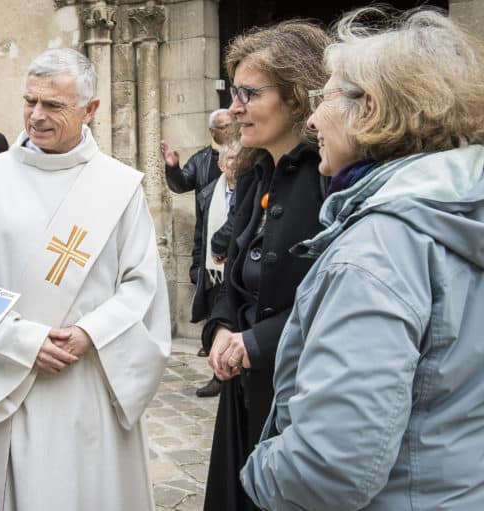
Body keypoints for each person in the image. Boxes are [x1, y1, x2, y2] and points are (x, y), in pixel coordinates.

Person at [242, 8, 484, 510]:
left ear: (368, 109)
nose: (310, 120)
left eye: (323, 98)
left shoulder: (379, 248)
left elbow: (330, 467)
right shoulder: (462, 211)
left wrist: (260, 473)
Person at [0, 48, 171, 511]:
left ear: (91, 109)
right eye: (30, 101)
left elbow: (141, 285)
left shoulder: (118, 186)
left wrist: (91, 332)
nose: (36, 116)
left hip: (91, 379)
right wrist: (22, 339)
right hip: (17, 375)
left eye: (53, 106)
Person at [201, 21, 330, 511]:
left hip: (297, 395)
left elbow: (334, 295)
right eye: (235, 93)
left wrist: (256, 342)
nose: (235, 108)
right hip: (244, 390)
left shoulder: (330, 179)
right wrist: (220, 327)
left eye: (248, 93)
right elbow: (229, 273)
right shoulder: (258, 172)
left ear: (297, 97)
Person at [161, 109, 231, 360]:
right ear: (212, 131)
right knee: (210, 290)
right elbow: (181, 184)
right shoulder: (202, 160)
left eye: (232, 124)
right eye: (224, 126)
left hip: (234, 235)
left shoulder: (246, 154)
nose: (230, 129)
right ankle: (211, 338)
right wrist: (173, 168)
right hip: (208, 237)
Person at [192, 138, 241, 398]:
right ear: (221, 165)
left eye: (238, 158)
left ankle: (234, 375)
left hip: (236, 268)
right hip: (214, 270)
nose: (235, 163)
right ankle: (218, 375)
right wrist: (196, 264)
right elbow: (201, 233)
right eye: (230, 159)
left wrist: (219, 244)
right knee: (217, 321)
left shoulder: (251, 187)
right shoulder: (208, 193)